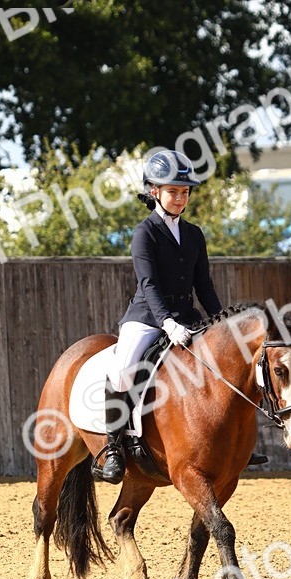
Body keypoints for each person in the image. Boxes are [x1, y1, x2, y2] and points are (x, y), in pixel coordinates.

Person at [99, 148, 223, 483]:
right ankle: (113, 448)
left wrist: (221, 324)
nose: (180, 198)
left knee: (225, 363)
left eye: (184, 192)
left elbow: (205, 286)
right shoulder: (145, 233)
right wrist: (167, 322)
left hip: (188, 316)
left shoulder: (195, 234)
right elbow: (149, 284)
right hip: (147, 318)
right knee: (123, 370)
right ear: (154, 191)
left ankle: (228, 443)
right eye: (173, 191)